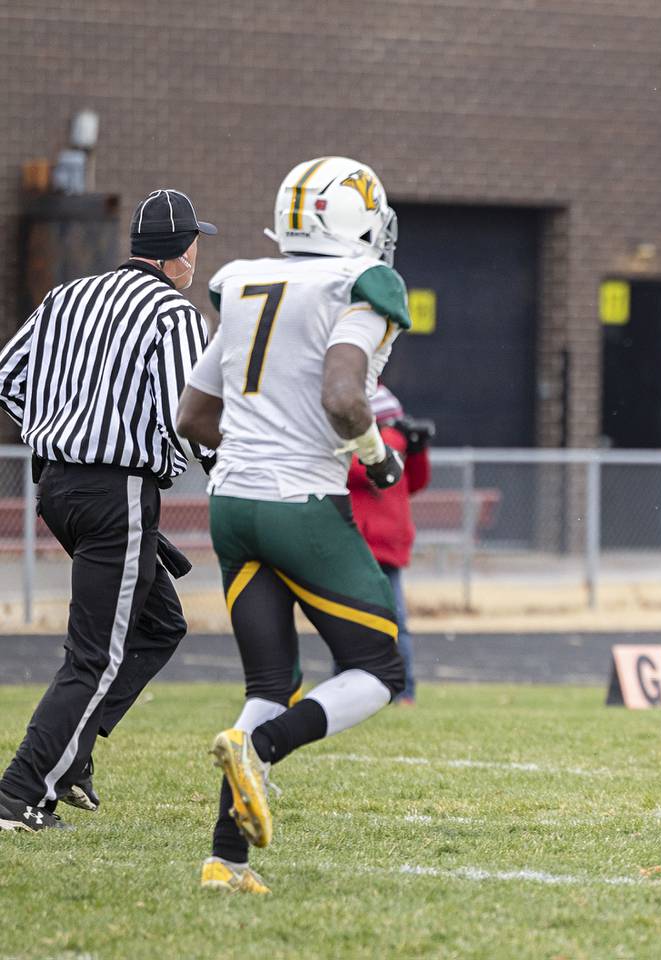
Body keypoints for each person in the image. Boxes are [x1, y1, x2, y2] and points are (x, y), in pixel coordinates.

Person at [176, 157, 409, 894]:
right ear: (357, 219)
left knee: (271, 680)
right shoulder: (358, 284)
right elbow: (344, 396)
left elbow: (194, 416)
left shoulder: (243, 281)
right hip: (299, 502)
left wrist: (245, 463)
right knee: (378, 669)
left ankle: (225, 859)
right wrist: (375, 459)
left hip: (232, 504)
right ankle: (264, 750)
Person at [0, 189, 215, 831]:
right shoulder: (174, 313)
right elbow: (189, 415)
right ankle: (20, 792)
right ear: (182, 252)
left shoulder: (67, 296)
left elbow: (8, 376)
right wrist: (221, 475)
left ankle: (73, 754)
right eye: (196, 244)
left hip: (57, 484)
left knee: (158, 625)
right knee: (95, 654)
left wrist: (57, 426)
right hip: (114, 490)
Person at [344, 384, 433, 705]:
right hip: (386, 545)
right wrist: (415, 448)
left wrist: (414, 446)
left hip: (361, 544)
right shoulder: (396, 448)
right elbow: (417, 482)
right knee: (396, 621)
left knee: (346, 619)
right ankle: (404, 689)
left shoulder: (374, 448)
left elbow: (353, 472)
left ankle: (345, 682)